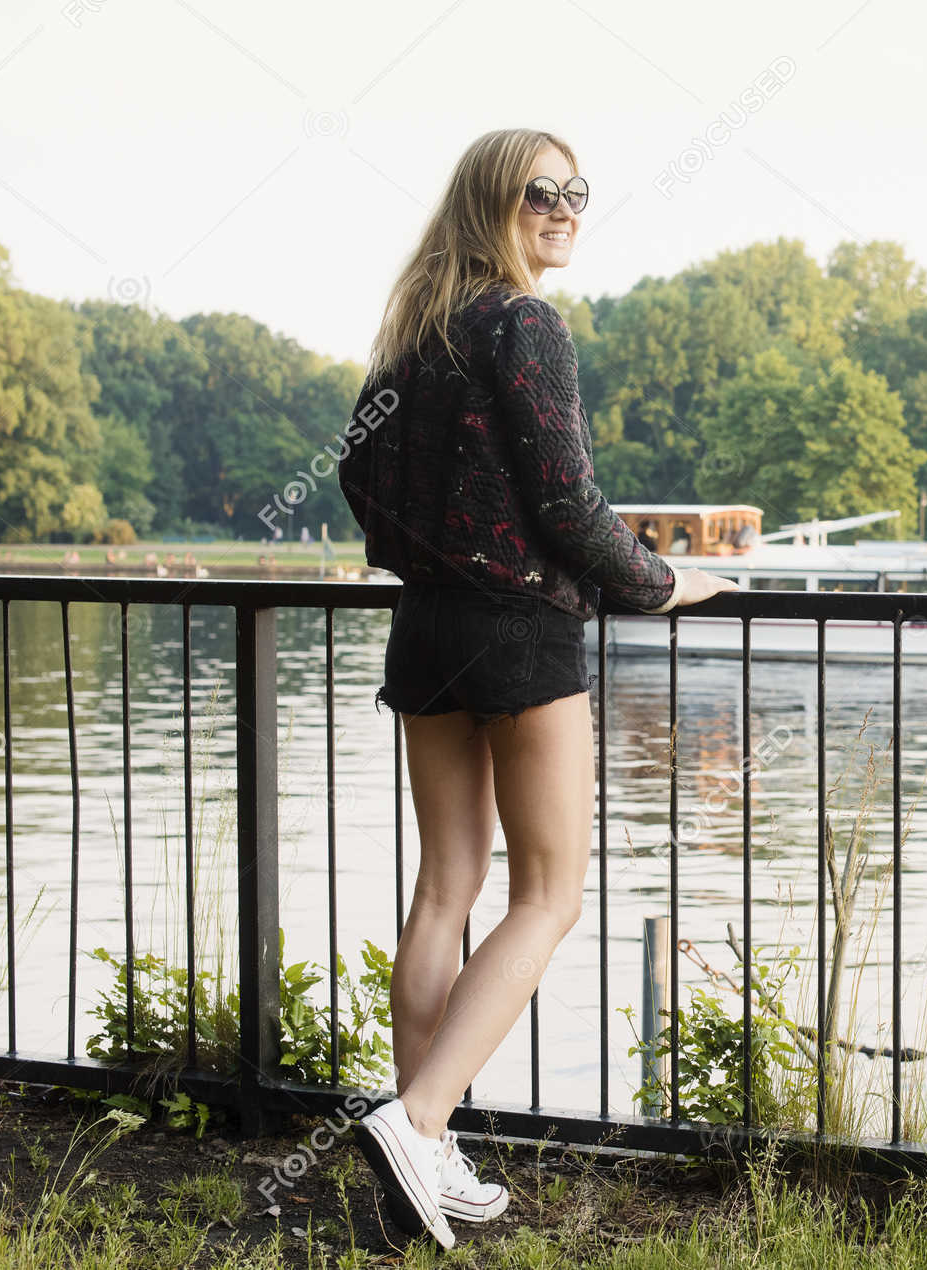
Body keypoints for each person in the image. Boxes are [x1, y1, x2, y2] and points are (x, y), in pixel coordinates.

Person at [336, 127, 736, 1250]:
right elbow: (569, 506)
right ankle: (419, 1122)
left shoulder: (411, 333)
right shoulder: (524, 323)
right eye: (538, 195)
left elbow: (356, 476)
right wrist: (663, 583)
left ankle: (432, 1153)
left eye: (576, 192)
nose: (563, 211)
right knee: (551, 892)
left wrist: (432, 558)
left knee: (447, 885)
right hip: (518, 639)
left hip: (427, 635)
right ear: (490, 204)